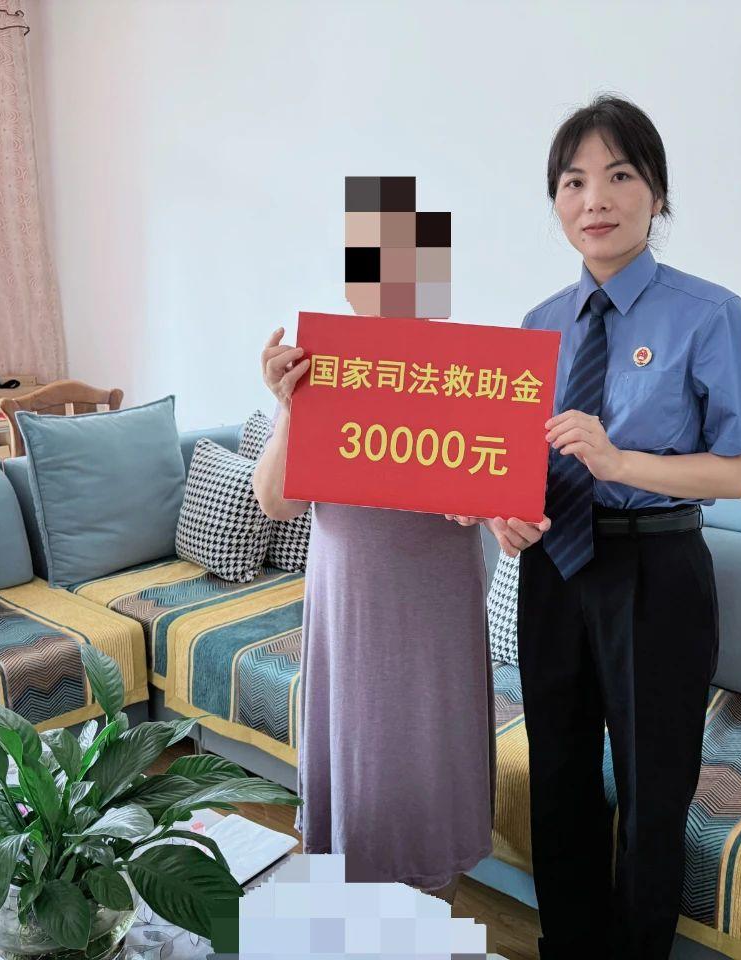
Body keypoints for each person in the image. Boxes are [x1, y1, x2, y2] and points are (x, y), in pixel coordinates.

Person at [457, 95, 741, 958]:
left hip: (656, 573)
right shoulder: (537, 325)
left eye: (618, 175)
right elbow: (518, 464)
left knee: (652, 791)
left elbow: (740, 473)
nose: (594, 199)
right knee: (559, 777)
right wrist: (505, 514)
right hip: (554, 570)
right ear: (556, 201)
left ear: (657, 193)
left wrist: (620, 461)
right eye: (573, 182)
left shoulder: (708, 313)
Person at [252, 179, 493, 904]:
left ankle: (428, 927)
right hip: (351, 613)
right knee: (355, 777)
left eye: (410, 263)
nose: (391, 283)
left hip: (435, 614)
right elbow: (276, 502)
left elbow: (501, 496)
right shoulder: (319, 369)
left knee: (430, 772)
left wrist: (482, 504)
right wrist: (288, 407)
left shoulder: (468, 369)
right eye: (374, 266)